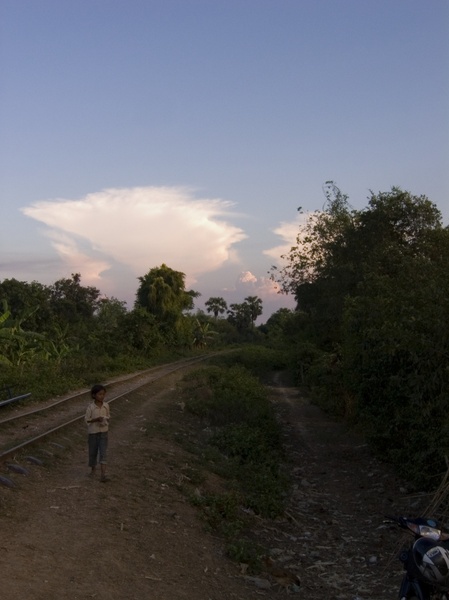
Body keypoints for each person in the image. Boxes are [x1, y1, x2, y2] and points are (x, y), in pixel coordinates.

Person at [85, 384, 110, 482]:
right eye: (99, 394)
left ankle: (103, 474)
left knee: (103, 453)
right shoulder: (90, 407)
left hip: (104, 432)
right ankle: (93, 470)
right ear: (94, 395)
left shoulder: (106, 405)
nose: (102, 396)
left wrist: (106, 420)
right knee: (93, 452)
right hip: (93, 433)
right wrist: (96, 420)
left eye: (103, 394)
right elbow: (87, 420)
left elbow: (108, 415)